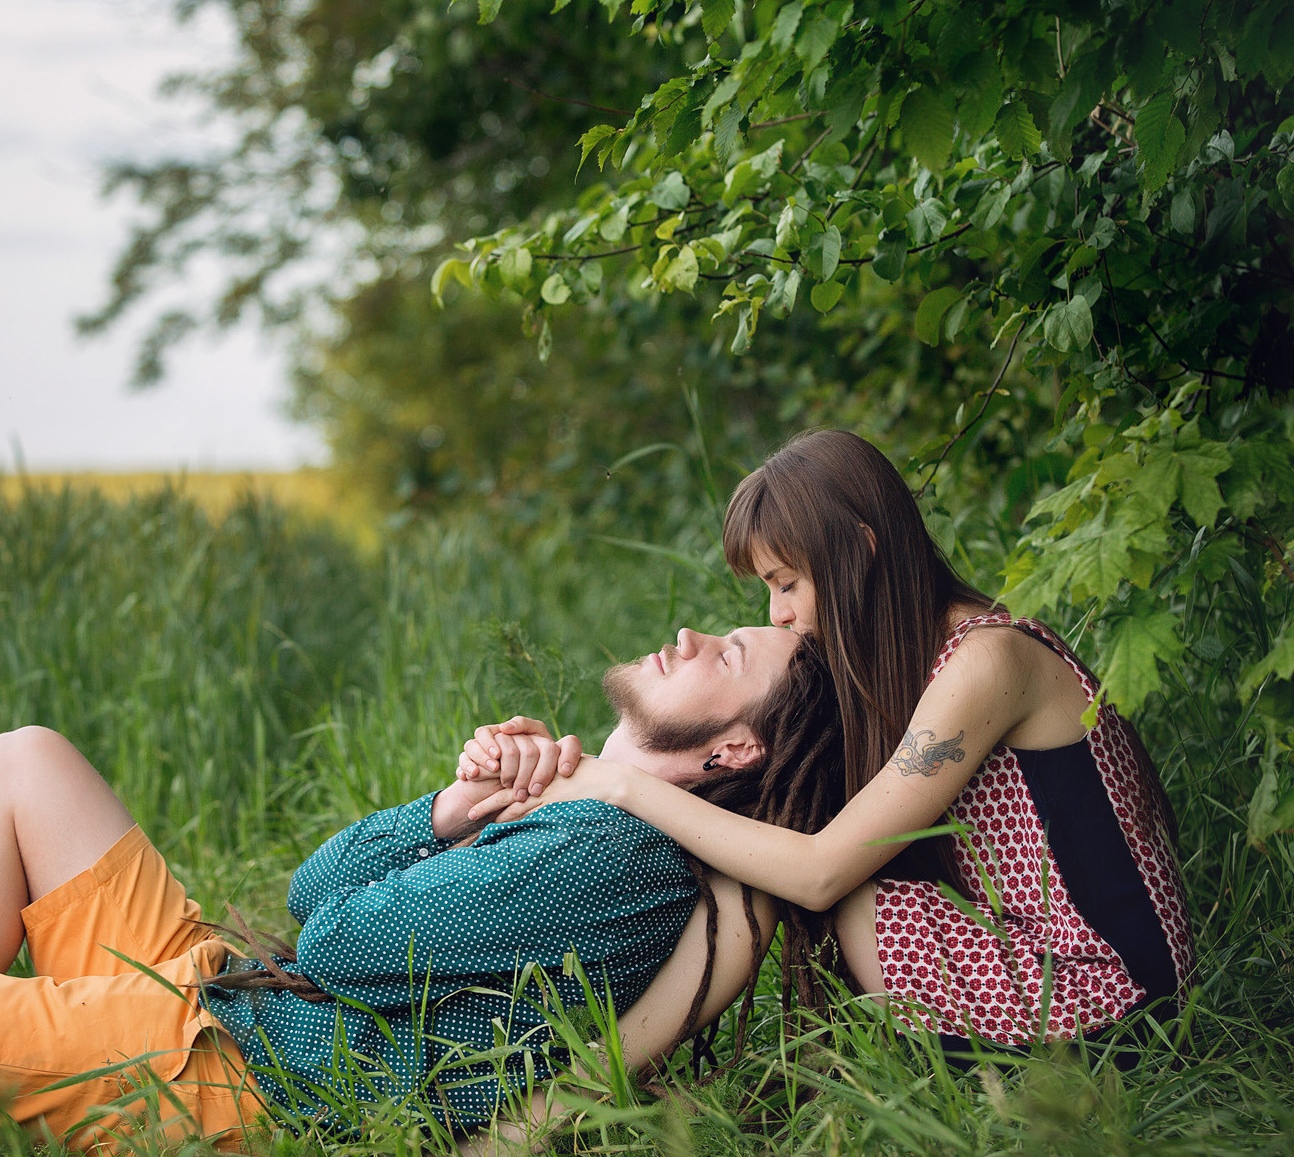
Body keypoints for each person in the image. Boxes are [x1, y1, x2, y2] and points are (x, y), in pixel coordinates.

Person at [0, 623, 837, 1156]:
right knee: (25, 764)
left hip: (245, 1076)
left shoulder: (614, 856)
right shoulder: (583, 820)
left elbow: (340, 947)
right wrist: (448, 812)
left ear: (730, 750)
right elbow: (313, 886)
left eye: (724, 651)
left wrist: (526, 818)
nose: (687, 634)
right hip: (237, 996)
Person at [462, 429, 1192, 1058]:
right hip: (1037, 960)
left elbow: (820, 872)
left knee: (840, 893)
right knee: (771, 847)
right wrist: (558, 773)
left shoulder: (987, 661)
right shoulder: (900, 663)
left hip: (1121, 997)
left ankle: (581, 1090)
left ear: (861, 553)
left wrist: (616, 785)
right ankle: (590, 1074)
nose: (777, 614)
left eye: (786, 584)